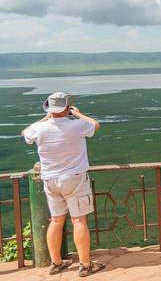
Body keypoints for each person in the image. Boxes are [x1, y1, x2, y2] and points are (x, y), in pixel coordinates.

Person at [21, 92, 104, 277]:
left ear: (49, 109)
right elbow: (95, 125)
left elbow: (25, 133)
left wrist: (46, 118)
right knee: (79, 220)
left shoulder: (39, 128)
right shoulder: (77, 125)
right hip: (74, 178)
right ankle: (85, 265)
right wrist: (79, 113)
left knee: (56, 221)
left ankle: (56, 263)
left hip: (50, 179)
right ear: (67, 108)